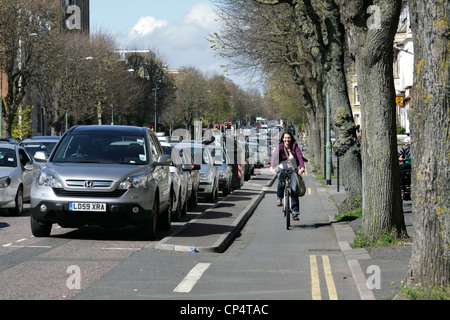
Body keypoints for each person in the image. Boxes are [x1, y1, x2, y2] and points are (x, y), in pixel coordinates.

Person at [270, 131, 305, 221]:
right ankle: (279, 197)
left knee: (294, 189)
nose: (287, 140)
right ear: (283, 139)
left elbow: (300, 156)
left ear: (291, 138)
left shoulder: (294, 146)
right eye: (285, 138)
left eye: (289, 138)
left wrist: (302, 167)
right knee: (281, 182)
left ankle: (295, 213)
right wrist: (271, 167)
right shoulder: (280, 147)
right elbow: (274, 156)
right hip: (282, 169)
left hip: (293, 170)